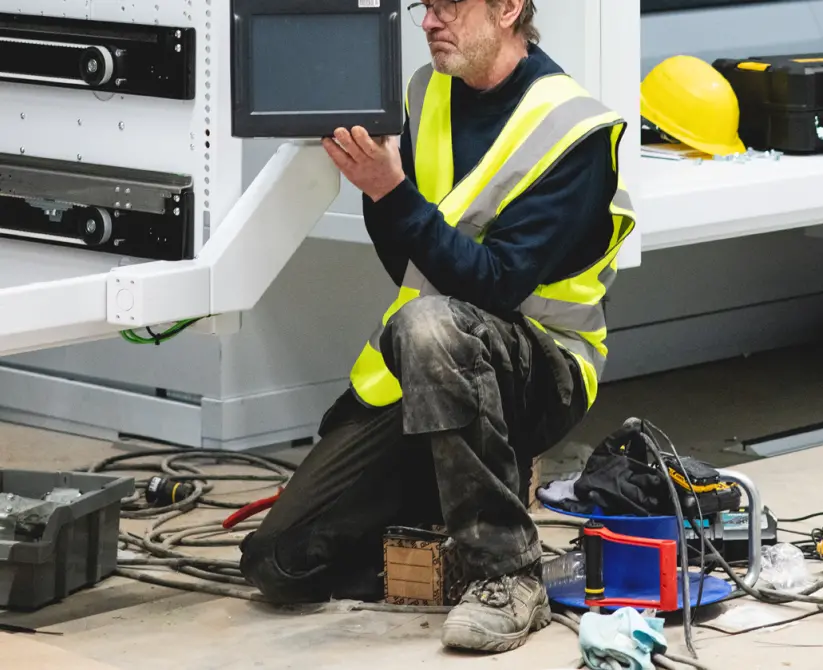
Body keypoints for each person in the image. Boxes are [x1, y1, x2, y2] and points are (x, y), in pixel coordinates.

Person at [239, 0, 637, 654]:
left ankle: (508, 573)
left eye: (450, 4)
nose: (428, 21)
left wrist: (393, 193)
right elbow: (407, 257)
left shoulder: (573, 131)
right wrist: (380, 190)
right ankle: (442, 516)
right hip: (427, 367)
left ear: (509, 8)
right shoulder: (426, 93)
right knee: (279, 562)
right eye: (425, 5)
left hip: (543, 370)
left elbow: (500, 284)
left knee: (431, 325)